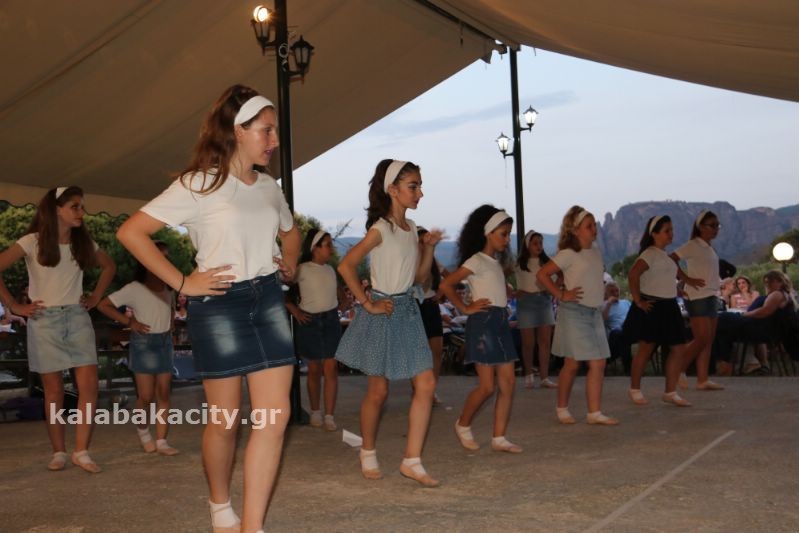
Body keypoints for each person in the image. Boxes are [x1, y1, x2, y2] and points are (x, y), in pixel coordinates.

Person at [116, 85, 300, 533]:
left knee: (275, 417)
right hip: (219, 305)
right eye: (266, 130)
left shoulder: (269, 187)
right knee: (225, 421)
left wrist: (290, 264)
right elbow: (131, 232)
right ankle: (219, 504)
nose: (274, 140)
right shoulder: (198, 184)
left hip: (268, 299)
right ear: (238, 130)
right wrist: (183, 282)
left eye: (274, 131)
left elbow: (290, 232)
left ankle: (252, 526)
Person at [335, 159, 442, 487]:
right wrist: (368, 303)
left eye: (420, 186)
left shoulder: (411, 229)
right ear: (393, 190)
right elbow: (346, 266)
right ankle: (367, 451)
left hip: (408, 312)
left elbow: (419, 278)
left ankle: (412, 460)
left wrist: (428, 249)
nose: (420, 193)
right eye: (414, 186)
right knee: (378, 391)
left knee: (426, 384)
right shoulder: (380, 229)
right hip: (383, 312)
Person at [0, 186, 116, 473]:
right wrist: (14, 305)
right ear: (56, 210)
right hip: (44, 320)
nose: (81, 212)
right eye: (75, 206)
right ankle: (59, 452)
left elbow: (109, 266)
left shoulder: (82, 242)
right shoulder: (31, 241)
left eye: (82, 206)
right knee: (53, 392)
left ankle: (82, 451)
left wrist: (95, 297)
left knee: (89, 387)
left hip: (77, 317)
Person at [440, 205, 522, 454]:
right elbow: (446, 284)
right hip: (483, 323)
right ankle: (463, 424)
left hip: (500, 322)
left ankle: (499, 437)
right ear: (488, 232)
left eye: (508, 234)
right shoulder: (476, 260)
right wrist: (465, 308)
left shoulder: (494, 263)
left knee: (508, 382)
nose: (507, 239)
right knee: (487, 386)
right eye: (503, 234)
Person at [536, 205, 619, 425]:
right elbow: (542, 274)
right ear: (575, 230)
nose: (594, 229)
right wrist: (561, 294)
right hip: (574, 312)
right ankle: (563, 408)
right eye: (589, 226)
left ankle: (594, 413)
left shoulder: (595, 251)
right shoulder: (568, 254)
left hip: (594, 312)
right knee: (574, 364)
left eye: (594, 225)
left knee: (597, 363)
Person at [96, 241, 180, 456]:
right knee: (146, 395)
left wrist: (170, 324)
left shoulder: (169, 286)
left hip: (164, 342)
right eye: (159, 257)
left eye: (166, 257)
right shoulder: (135, 288)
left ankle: (162, 441)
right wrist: (129, 322)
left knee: (163, 393)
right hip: (144, 343)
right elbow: (103, 305)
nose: (163, 261)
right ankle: (144, 433)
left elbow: (170, 308)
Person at [624, 216, 695, 407]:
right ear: (654, 233)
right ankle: (635, 389)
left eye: (672, 230)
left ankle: (670, 392)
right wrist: (638, 300)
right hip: (652, 305)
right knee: (646, 349)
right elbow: (633, 275)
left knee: (678, 348)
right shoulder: (649, 254)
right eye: (666, 230)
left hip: (669, 306)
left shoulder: (665, 256)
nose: (671, 234)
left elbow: (662, 278)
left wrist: (677, 290)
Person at [285, 228, 341, 432]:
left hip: (331, 321)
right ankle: (316, 411)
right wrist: (295, 311)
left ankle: (329, 415)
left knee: (331, 368)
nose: (331, 249)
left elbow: (339, 292)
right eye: (327, 245)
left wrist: (341, 303)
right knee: (315, 369)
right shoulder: (301, 269)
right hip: (311, 322)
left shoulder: (331, 270)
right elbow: (283, 292)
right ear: (315, 248)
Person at [670, 210, 725, 389]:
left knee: (708, 340)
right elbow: (671, 259)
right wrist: (686, 279)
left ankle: (702, 379)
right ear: (701, 227)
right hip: (697, 296)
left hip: (711, 295)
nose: (716, 229)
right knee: (701, 338)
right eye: (712, 225)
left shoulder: (709, 247)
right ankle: (678, 368)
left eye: (717, 225)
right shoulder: (693, 245)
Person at [713, 271, 799, 369]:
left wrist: (743, 315)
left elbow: (764, 312)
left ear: (780, 281)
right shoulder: (785, 295)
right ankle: (726, 362)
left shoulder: (777, 294)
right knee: (722, 326)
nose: (768, 285)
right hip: (766, 330)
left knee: (721, 320)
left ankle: (723, 362)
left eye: (770, 282)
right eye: (766, 282)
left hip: (763, 331)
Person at [514, 230, 557, 389]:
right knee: (528, 343)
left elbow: (560, 276)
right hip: (526, 303)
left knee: (545, 342)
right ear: (527, 245)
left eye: (541, 243)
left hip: (544, 301)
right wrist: (511, 292)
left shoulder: (547, 262)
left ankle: (544, 378)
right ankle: (528, 375)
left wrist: (554, 289)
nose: (539, 246)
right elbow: (500, 274)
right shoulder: (519, 264)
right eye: (535, 243)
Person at [415, 226, 445, 404]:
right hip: (414, 306)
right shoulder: (409, 260)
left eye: (425, 241)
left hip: (431, 306)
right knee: (419, 353)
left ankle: (432, 390)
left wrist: (440, 293)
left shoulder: (433, 260)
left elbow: (449, 277)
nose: (423, 244)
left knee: (437, 351)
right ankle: (419, 389)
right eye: (420, 241)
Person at [601, 281, 632, 374]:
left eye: (617, 291)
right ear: (606, 294)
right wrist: (608, 304)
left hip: (628, 330)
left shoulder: (626, 302)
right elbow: (602, 320)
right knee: (619, 334)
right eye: (612, 291)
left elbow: (634, 317)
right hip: (614, 333)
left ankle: (608, 361)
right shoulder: (603, 305)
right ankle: (628, 367)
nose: (615, 293)